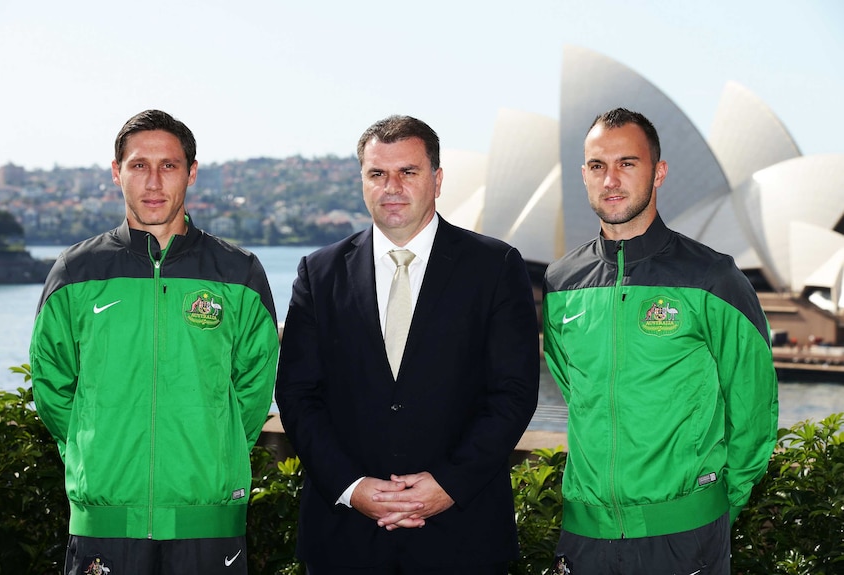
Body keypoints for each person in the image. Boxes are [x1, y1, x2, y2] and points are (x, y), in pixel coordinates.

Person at [274, 115, 540, 574]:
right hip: (345, 540)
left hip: (464, 537)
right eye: (377, 173)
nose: (391, 186)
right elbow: (297, 395)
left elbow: (513, 393)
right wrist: (352, 487)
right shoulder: (318, 274)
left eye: (408, 172)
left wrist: (449, 485)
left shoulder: (495, 267)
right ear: (362, 182)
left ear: (437, 180)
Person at [29, 109, 279, 575]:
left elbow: (252, 390)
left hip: (208, 519)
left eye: (169, 166)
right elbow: (52, 386)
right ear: (116, 172)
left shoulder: (238, 273)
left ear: (192, 172)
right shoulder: (75, 273)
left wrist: (214, 449)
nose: (154, 182)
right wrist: (96, 450)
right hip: (104, 519)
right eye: (139, 165)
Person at [541, 107, 778, 573]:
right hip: (586, 534)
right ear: (584, 175)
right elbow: (575, 388)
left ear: (659, 172)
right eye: (597, 166)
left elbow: (753, 407)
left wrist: (715, 502)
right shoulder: (559, 283)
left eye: (627, 163)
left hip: (685, 532)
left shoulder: (713, 278)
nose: (611, 179)